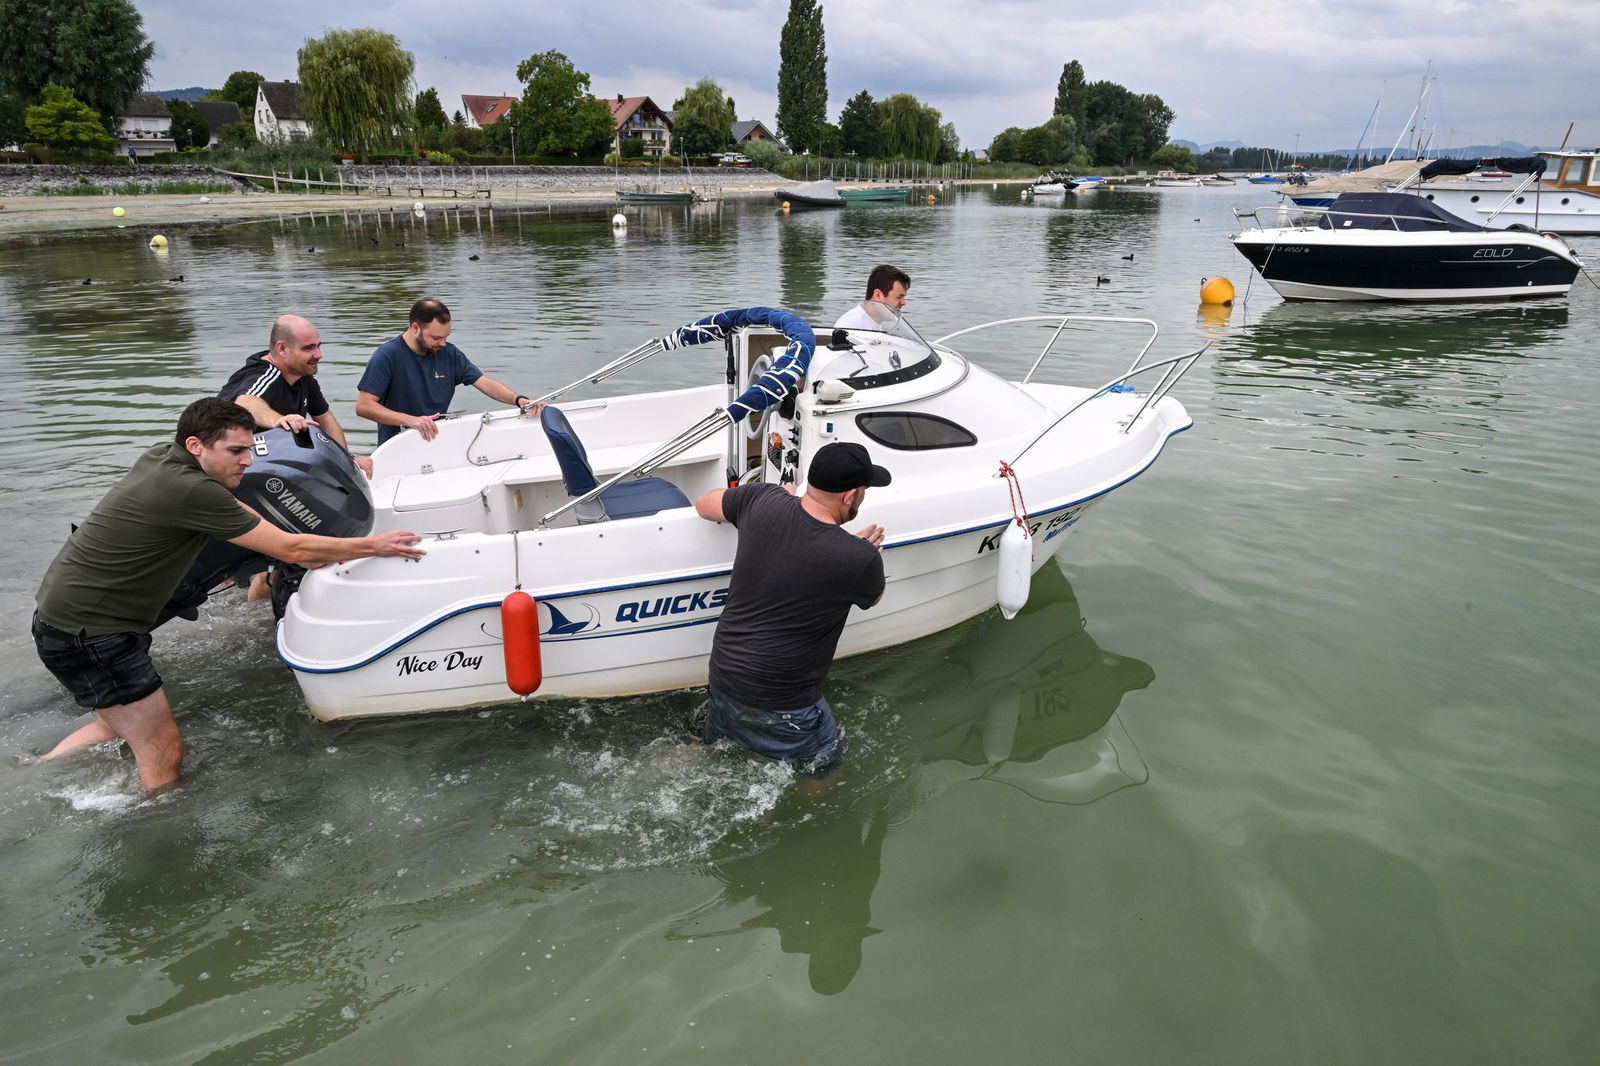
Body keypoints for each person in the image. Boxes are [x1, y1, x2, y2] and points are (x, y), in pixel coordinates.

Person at [31, 397, 426, 791]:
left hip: (60, 619)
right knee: (163, 747)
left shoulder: (159, 458)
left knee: (113, 727)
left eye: (250, 449)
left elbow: (257, 529)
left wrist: (280, 544)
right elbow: (293, 550)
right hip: (96, 636)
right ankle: (159, 833)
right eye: (235, 451)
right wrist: (376, 546)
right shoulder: (194, 491)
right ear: (195, 446)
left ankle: (35, 773)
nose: (248, 461)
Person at [693, 442, 890, 779]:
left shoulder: (760, 499)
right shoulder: (858, 558)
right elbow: (872, 599)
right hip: (784, 703)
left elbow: (703, 505)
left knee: (714, 743)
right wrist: (855, 552)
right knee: (825, 769)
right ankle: (817, 828)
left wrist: (776, 499)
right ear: (850, 496)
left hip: (724, 676)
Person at [355, 298, 537, 444]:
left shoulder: (448, 353)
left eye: (446, 337)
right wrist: (410, 420)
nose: (442, 343)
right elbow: (364, 406)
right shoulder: (387, 356)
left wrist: (519, 400)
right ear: (415, 327)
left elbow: (484, 382)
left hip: (436, 442)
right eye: (436, 337)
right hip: (398, 446)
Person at [219, 314, 374, 478]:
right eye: (308, 348)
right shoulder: (263, 375)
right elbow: (245, 402)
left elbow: (325, 418)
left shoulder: (303, 377)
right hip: (225, 470)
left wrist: (346, 462)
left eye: (318, 346)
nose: (319, 354)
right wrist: (278, 420)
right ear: (282, 348)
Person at [833, 265, 911, 331]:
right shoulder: (849, 327)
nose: (904, 302)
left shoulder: (875, 323)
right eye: (899, 297)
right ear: (877, 295)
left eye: (903, 297)